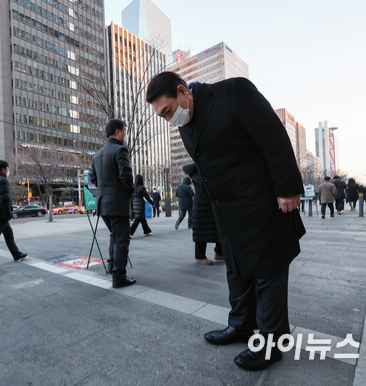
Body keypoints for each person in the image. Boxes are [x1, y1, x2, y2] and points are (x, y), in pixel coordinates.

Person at [147, 72, 305, 371]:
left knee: (268, 271)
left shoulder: (233, 92)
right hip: (227, 209)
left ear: (183, 92)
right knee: (236, 270)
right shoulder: (185, 123)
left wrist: (288, 188)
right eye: (161, 115)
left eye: (167, 110)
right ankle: (241, 326)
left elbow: (273, 135)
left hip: (262, 201)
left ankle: (271, 343)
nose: (168, 119)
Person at [89, 119, 135, 288]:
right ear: (117, 132)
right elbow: (126, 176)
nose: (124, 134)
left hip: (103, 204)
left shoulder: (98, 154)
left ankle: (112, 267)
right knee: (121, 239)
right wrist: (129, 191)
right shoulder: (120, 150)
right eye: (124, 131)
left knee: (114, 237)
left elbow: (93, 178)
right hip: (117, 203)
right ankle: (119, 276)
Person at [183, 163, 224, 265]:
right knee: (202, 229)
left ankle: (219, 252)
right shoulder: (199, 172)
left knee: (219, 227)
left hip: (210, 202)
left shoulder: (206, 169)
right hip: (202, 204)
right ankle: (200, 256)